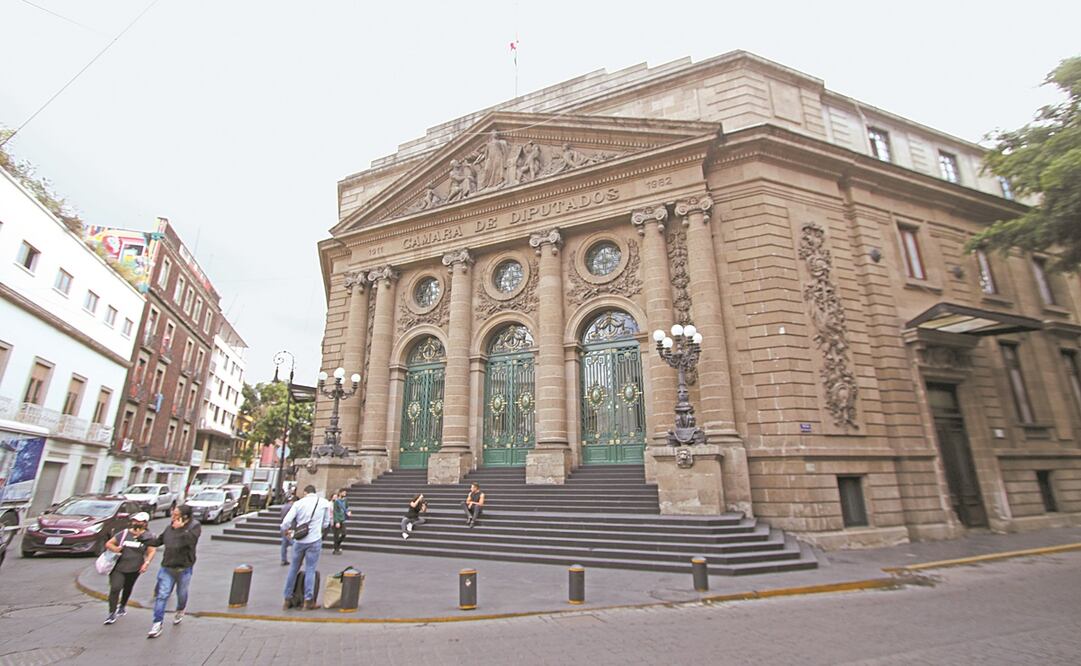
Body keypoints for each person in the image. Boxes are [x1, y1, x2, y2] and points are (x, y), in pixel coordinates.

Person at [144, 505, 201, 638]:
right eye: (173, 514)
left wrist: (181, 530)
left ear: (184, 517)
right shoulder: (169, 528)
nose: (172, 517)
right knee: (162, 595)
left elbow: (191, 541)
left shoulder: (194, 527)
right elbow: (158, 541)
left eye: (176, 514)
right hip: (167, 567)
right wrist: (141, 537)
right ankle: (157, 623)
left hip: (184, 568)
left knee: (181, 593)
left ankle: (180, 609)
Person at [280, 485, 332, 610]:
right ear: (315, 492)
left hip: (299, 540)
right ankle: (308, 600)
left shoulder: (298, 504)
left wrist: (287, 531)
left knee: (293, 569)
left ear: (305, 493)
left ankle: (287, 599)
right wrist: (317, 528)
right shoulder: (324, 503)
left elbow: (285, 522)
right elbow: (326, 524)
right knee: (310, 569)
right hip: (314, 539)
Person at [103, 512, 156, 625]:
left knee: (128, 587)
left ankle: (122, 605)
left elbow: (151, 551)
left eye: (139, 521)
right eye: (135, 521)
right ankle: (111, 613)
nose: (136, 523)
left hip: (135, 568)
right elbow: (109, 543)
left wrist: (146, 563)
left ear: (145, 523)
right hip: (118, 567)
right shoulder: (124, 533)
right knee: (115, 588)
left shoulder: (148, 537)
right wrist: (115, 549)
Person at [332, 488, 351, 555]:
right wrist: (337, 521)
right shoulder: (336, 502)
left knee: (344, 533)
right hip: (337, 519)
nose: (345, 494)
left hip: (342, 519)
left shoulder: (345, 500)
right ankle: (336, 549)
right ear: (340, 493)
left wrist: (348, 512)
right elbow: (335, 511)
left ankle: (338, 544)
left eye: (345, 493)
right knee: (336, 535)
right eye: (343, 493)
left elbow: (347, 507)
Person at [279, 492, 296, 566]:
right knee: (294, 543)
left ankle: (283, 559)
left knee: (284, 544)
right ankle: (295, 560)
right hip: (290, 527)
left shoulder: (284, 507)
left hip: (283, 527)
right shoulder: (292, 507)